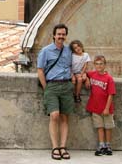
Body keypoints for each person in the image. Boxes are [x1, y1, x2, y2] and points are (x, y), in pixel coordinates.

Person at [37, 23, 74, 160]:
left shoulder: (68, 51)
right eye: (59, 34)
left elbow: (74, 65)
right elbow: (40, 70)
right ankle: (55, 147)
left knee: (65, 117)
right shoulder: (46, 51)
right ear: (54, 35)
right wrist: (46, 88)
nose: (61, 36)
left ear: (66, 35)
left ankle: (63, 147)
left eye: (63, 34)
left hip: (66, 85)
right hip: (52, 86)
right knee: (54, 115)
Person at [85, 55, 116, 156]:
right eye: (97, 64)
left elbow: (111, 94)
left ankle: (108, 145)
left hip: (107, 108)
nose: (99, 66)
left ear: (105, 65)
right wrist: (86, 79)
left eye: (101, 64)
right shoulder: (92, 74)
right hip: (96, 107)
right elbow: (85, 74)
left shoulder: (109, 78)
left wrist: (107, 108)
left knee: (108, 127)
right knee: (99, 127)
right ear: (94, 65)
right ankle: (101, 145)